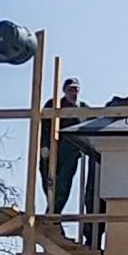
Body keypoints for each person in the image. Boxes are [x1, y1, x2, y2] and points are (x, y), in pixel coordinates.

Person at [39, 77, 86, 215]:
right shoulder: (54, 104)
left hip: (70, 151)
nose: (74, 93)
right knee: (48, 181)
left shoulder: (83, 108)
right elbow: (45, 126)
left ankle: (52, 214)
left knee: (64, 184)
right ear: (64, 91)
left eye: (76, 89)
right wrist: (44, 146)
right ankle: (51, 210)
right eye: (71, 89)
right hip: (52, 148)